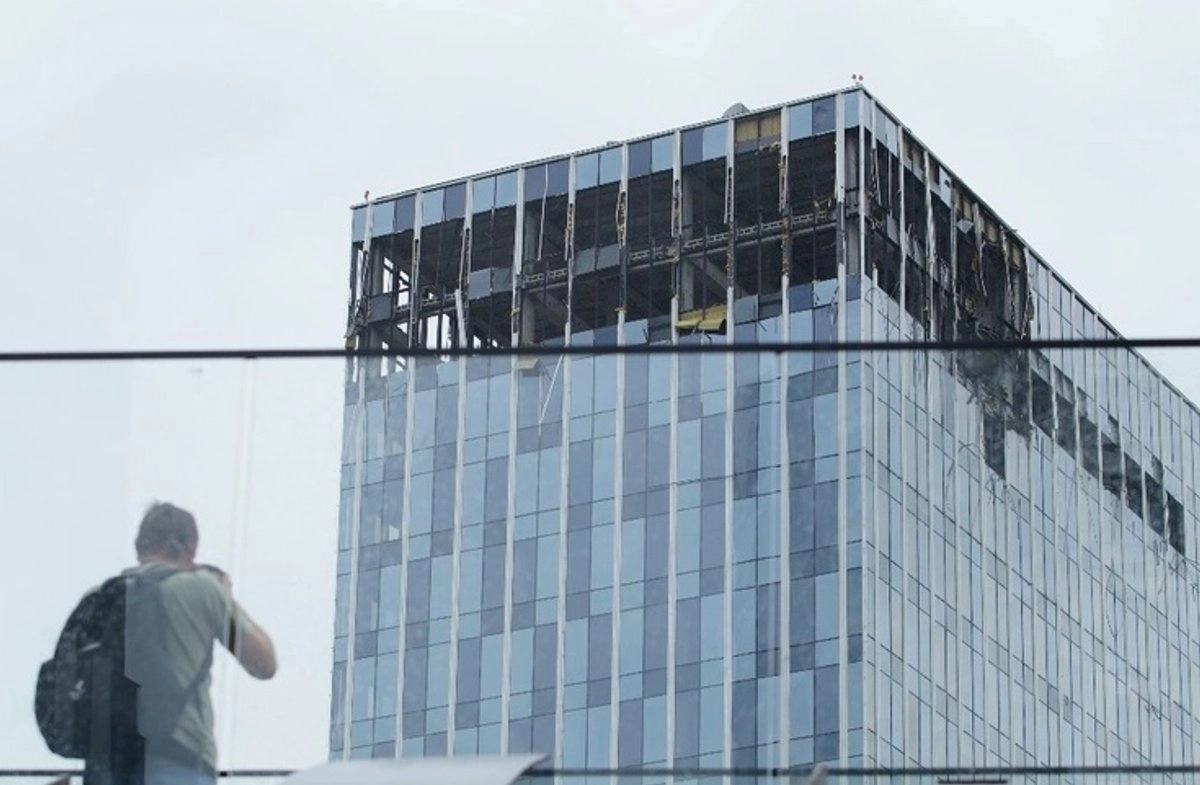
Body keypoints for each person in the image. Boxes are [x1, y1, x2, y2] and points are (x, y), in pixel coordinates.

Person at [88, 502, 277, 785]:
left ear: (139, 545)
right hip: (178, 759)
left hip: (108, 764)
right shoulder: (200, 587)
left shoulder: (100, 598)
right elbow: (264, 664)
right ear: (191, 547)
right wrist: (224, 595)